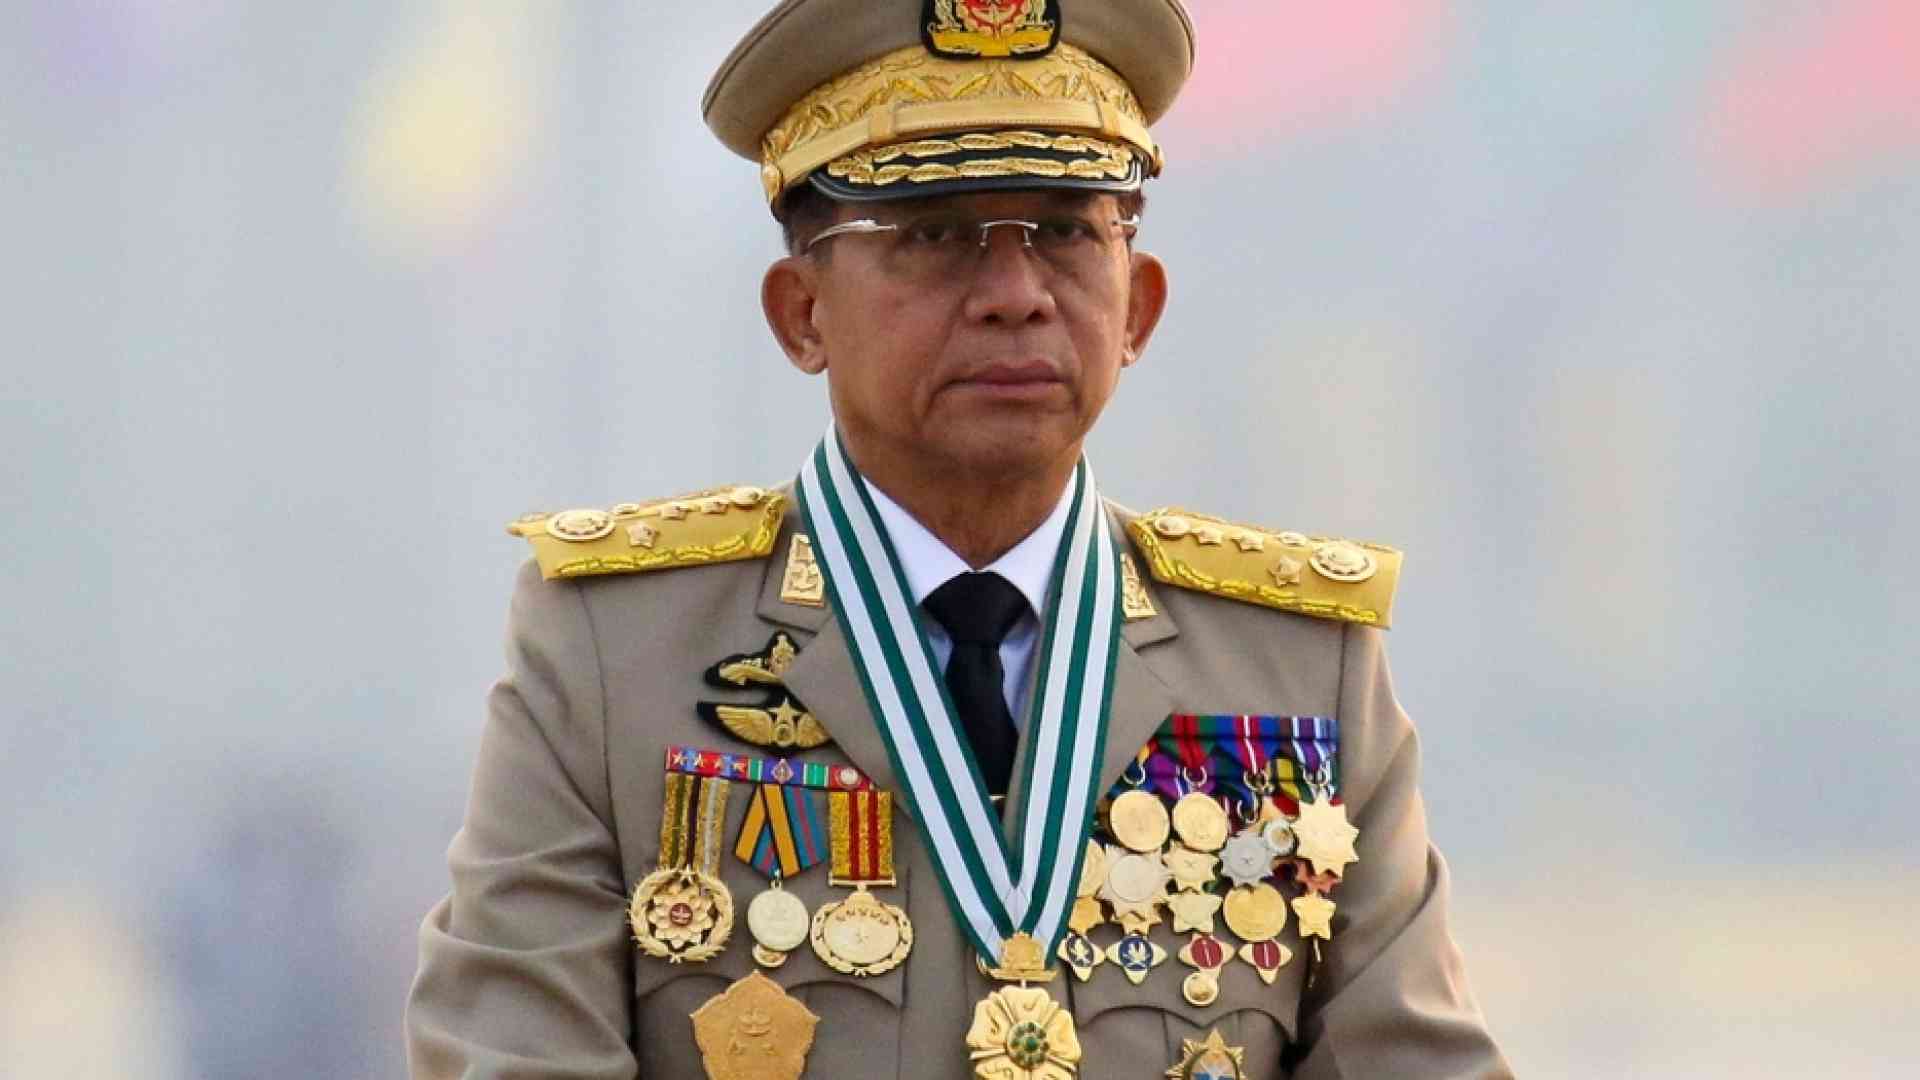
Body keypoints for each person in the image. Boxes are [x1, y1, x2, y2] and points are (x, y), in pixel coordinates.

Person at [407, 1, 1510, 1077]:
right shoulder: (614, 655)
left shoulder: (1297, 664)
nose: (1015, 295)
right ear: (801, 312)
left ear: (1138, 307)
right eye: (935, 235)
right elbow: (514, 1051)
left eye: (1067, 232)